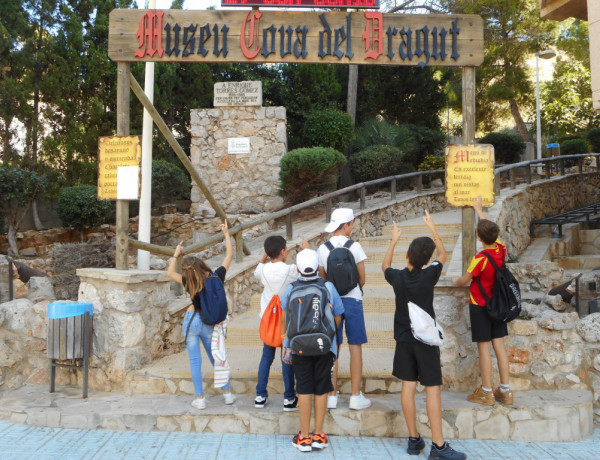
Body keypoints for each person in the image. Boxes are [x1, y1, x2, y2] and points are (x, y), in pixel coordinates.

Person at [382, 211, 465, 460]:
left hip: (404, 340)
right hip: (426, 341)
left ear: (407, 255)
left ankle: (413, 439)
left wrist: (393, 240)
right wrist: (434, 229)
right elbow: (443, 255)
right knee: (432, 389)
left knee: (408, 387)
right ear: (426, 261)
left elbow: (384, 266)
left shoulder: (397, 278)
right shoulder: (430, 274)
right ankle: (438, 447)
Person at [167, 222, 236, 410]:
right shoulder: (216, 277)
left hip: (191, 321)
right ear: (202, 265)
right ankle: (227, 393)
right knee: (215, 357)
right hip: (207, 322)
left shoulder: (188, 280)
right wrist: (226, 234)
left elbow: (169, 272)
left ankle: (200, 398)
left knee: (195, 361)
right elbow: (229, 255)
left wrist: (176, 254)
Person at [282, 249, 344, 452]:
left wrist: (287, 346)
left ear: (298, 268)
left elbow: (287, 319)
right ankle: (319, 434)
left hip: (299, 348)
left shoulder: (291, 289)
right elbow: (338, 315)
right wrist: (331, 340)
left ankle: (304, 437)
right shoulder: (328, 286)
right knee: (321, 388)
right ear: (318, 267)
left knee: (304, 389)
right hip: (324, 348)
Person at [452, 196, 512, 407]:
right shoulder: (501, 250)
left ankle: (486, 392)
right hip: (499, 304)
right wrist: (480, 212)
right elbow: (491, 232)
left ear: (478, 237)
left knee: (484, 349)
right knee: (500, 347)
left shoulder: (480, 259)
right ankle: (505, 391)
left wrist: (455, 280)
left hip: (480, 305)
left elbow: (463, 281)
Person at [317, 208, 370, 410]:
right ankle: (355, 396)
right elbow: (362, 279)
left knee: (333, 347)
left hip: (332, 303)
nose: (353, 227)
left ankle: (331, 395)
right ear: (346, 225)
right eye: (352, 223)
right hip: (353, 300)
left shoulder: (323, 248)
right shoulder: (354, 246)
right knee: (355, 346)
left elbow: (323, 278)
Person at [253, 235, 309, 411]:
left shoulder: (262, 271)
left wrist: (266, 255)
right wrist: (306, 249)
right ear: (283, 251)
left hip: (268, 320)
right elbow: (307, 267)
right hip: (287, 320)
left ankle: (260, 396)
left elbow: (258, 268)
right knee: (287, 357)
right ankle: (288, 398)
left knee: (266, 357)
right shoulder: (290, 270)